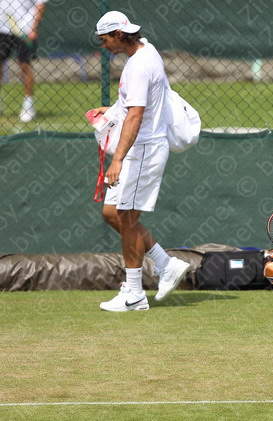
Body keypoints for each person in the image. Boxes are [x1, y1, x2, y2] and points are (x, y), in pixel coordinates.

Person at [89, 11, 189, 312]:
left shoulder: (139, 67)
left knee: (128, 219)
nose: (103, 46)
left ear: (119, 34)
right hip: (139, 147)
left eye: (105, 39)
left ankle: (134, 294)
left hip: (142, 150)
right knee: (112, 213)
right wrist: (111, 110)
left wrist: (117, 159)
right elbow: (132, 104)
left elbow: (137, 114)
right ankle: (165, 263)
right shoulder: (145, 50)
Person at [0, 0, 46, 122]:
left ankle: (28, 106)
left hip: (25, 29)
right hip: (2, 29)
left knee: (25, 66)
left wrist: (34, 28)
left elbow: (40, 5)